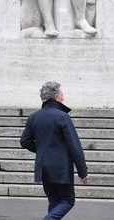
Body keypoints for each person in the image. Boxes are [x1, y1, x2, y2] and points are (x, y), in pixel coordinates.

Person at [20, 81, 89, 220]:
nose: (63, 98)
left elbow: (25, 141)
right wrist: (83, 171)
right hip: (60, 167)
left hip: (43, 165)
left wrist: (42, 149)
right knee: (68, 200)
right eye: (62, 95)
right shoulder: (62, 116)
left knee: (54, 201)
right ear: (56, 97)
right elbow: (74, 146)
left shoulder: (34, 117)